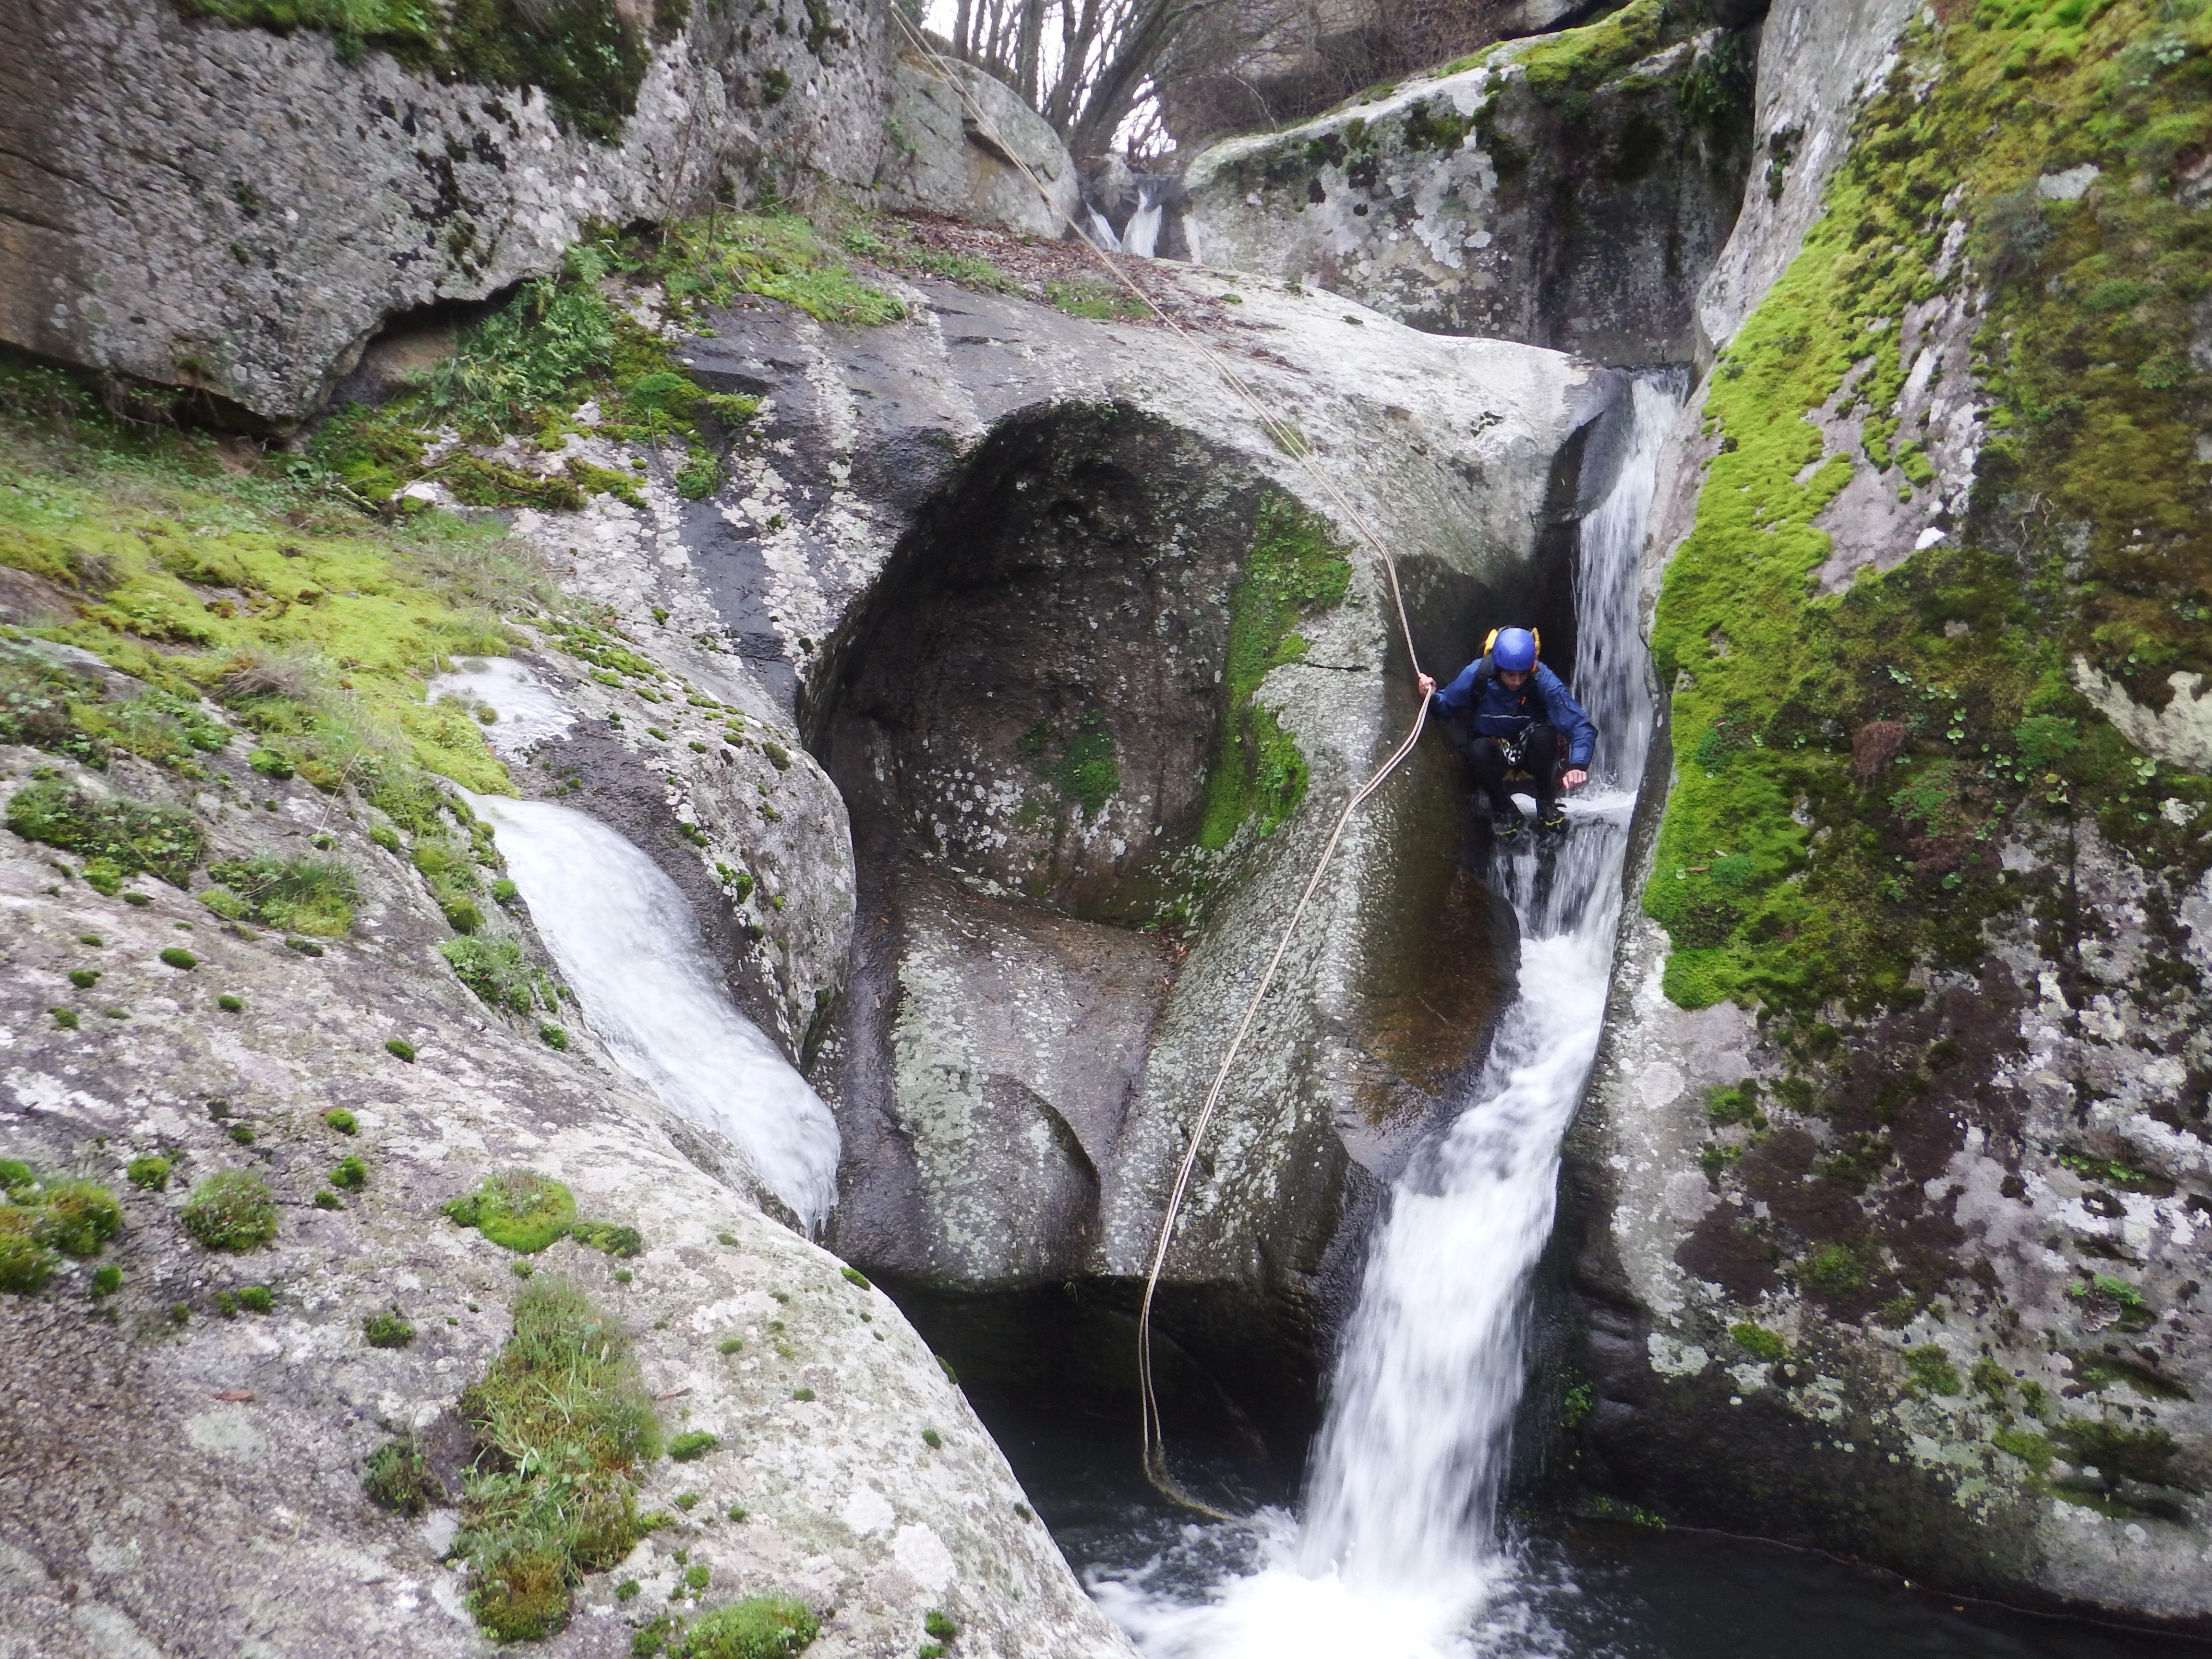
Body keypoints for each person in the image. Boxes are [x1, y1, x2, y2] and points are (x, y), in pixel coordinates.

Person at [1416, 626, 1595, 839]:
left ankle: (1546, 803)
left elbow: (1578, 724)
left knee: (1545, 735)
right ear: (1498, 668)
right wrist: (1431, 695)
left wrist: (1578, 764)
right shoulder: (1477, 674)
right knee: (1477, 749)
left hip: (1532, 751)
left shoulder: (1541, 678)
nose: (1517, 681)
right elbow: (1446, 707)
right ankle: (1504, 808)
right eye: (1511, 675)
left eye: (1522, 675)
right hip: (1494, 752)